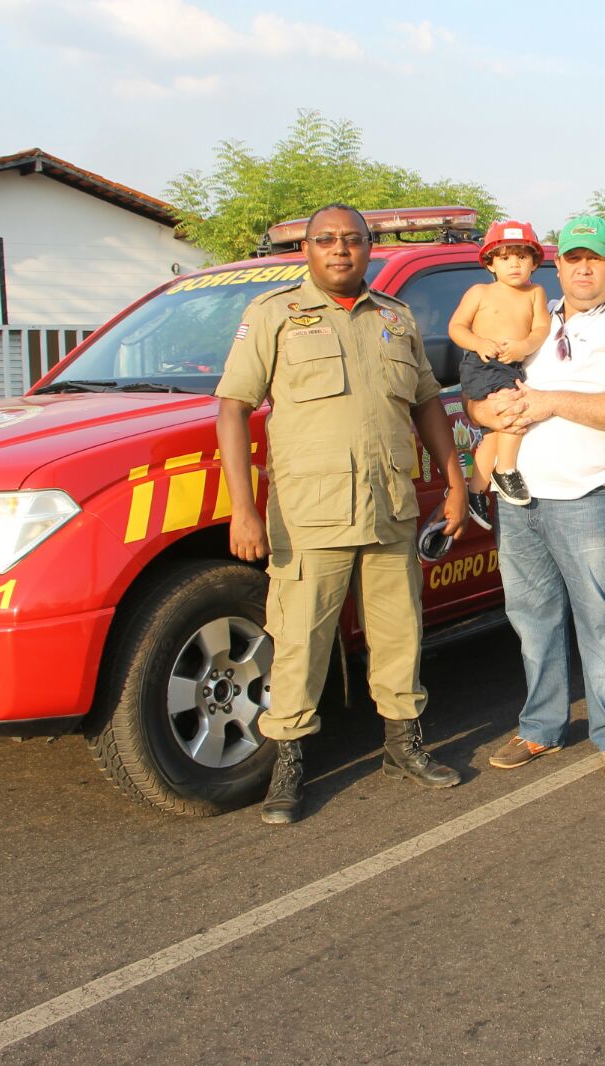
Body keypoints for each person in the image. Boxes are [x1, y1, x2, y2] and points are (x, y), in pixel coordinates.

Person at [216, 203, 468, 825]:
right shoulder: (273, 316)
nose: (339, 250)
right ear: (307, 249)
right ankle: (289, 764)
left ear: (367, 249)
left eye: (351, 240)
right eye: (325, 240)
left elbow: (429, 405)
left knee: (399, 631)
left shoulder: (396, 318)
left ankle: (402, 746)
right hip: (309, 514)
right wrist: (242, 509)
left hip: (389, 504)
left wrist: (456, 483)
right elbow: (231, 407)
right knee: (300, 639)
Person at [467, 215, 605, 782]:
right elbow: (483, 391)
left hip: (589, 495)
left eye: (594, 258)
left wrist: (551, 401)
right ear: (558, 265)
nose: (582, 267)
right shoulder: (536, 317)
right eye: (573, 258)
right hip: (521, 497)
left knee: (601, 620)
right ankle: (541, 728)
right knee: (532, 619)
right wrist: (486, 412)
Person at [448, 221, 550, 513]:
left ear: (534, 262)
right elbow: (456, 327)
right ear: (490, 264)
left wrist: (525, 346)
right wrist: (478, 343)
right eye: (505, 258)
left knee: (495, 432)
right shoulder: (480, 292)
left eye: (522, 257)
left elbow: (541, 327)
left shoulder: (535, 293)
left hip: (512, 365)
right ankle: (506, 470)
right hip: (482, 363)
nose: (514, 264)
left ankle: (476, 489)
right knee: (513, 412)